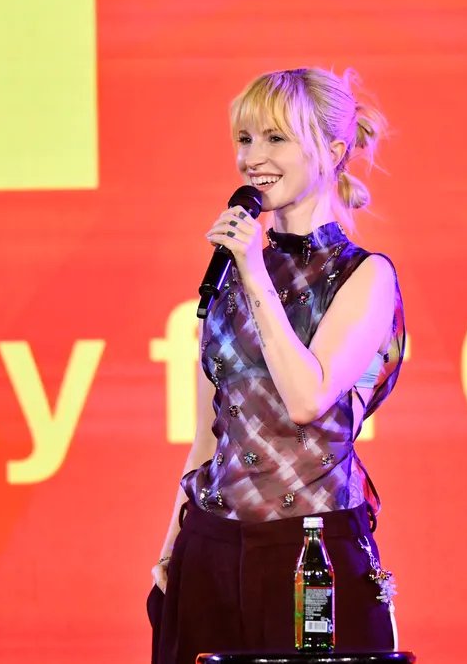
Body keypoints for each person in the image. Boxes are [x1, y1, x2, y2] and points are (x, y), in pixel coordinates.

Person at [147, 67, 406, 664]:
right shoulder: (235, 277)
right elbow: (212, 432)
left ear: (333, 150)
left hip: (308, 552)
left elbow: (306, 399)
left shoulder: (365, 276)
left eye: (275, 139)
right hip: (209, 544)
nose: (253, 158)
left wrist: (254, 270)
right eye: (245, 140)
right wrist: (171, 545)